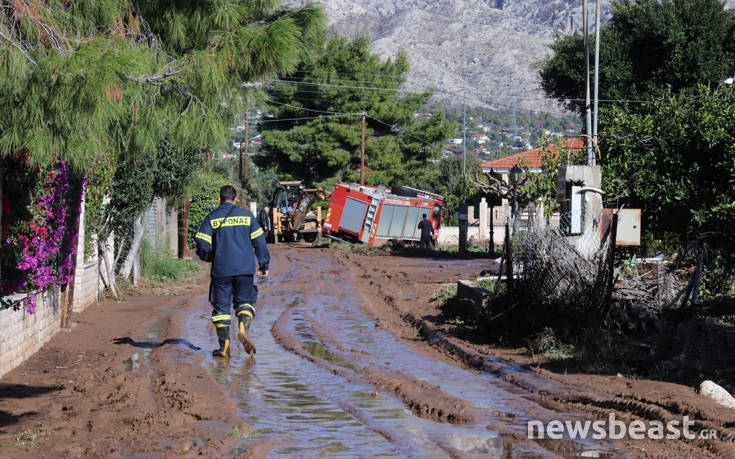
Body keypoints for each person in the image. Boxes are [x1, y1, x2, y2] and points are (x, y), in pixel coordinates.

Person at [195, 186, 270, 358]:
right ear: (236, 199)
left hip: (222, 270)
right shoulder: (247, 217)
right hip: (244, 269)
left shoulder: (212, 218)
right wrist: (264, 265)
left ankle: (224, 347)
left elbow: (203, 243)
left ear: (219, 198)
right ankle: (243, 328)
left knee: (221, 308)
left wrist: (212, 256)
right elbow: (260, 242)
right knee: (245, 301)